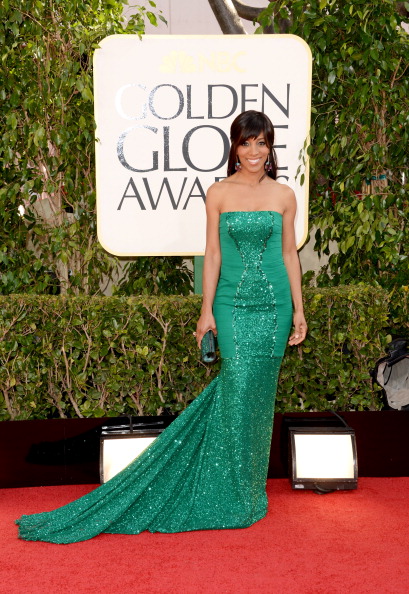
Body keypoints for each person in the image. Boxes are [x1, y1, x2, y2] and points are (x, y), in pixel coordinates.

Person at [16, 110, 307, 544]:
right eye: (245, 143)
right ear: (234, 148)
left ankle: (246, 489)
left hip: (275, 307)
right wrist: (206, 311)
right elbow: (211, 255)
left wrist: (299, 312)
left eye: (261, 143)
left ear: (270, 148)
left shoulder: (285, 195)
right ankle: (220, 490)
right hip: (231, 306)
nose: (253, 152)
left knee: (258, 400)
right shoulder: (218, 193)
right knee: (237, 387)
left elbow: (289, 256)